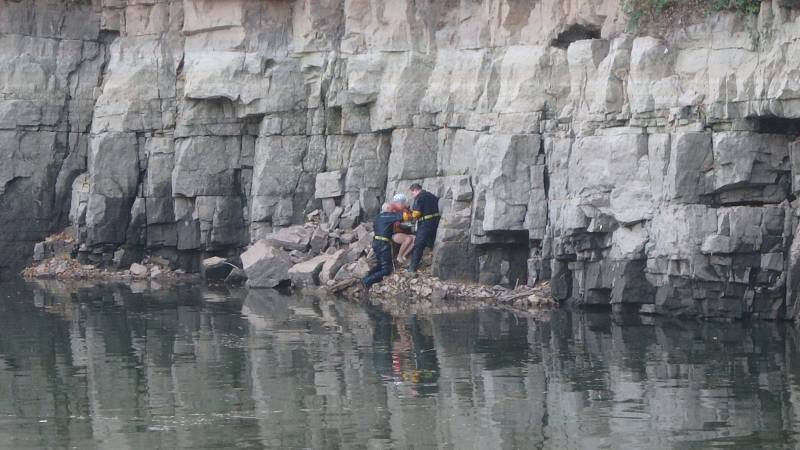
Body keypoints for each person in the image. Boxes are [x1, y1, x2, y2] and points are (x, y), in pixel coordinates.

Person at [362, 203, 405, 290]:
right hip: (383, 244)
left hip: (376, 242)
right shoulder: (388, 216)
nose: (393, 210)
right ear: (388, 208)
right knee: (386, 270)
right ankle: (367, 281)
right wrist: (402, 207)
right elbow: (404, 216)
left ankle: (367, 277)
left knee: (380, 264)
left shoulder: (378, 217)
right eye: (392, 209)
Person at [407, 183, 440, 274]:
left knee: (419, 244)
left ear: (416, 190)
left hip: (426, 224)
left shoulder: (420, 197)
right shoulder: (432, 196)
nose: (412, 195)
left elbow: (416, 214)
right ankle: (430, 264)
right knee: (431, 244)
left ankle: (412, 267)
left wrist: (409, 215)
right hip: (435, 223)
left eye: (412, 193)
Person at [389, 193, 415, 264]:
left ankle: (404, 255)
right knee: (408, 239)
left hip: (403, 232)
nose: (404, 204)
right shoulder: (391, 210)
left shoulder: (404, 209)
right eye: (403, 203)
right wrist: (402, 224)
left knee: (415, 238)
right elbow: (393, 223)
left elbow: (411, 216)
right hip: (393, 234)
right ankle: (399, 257)